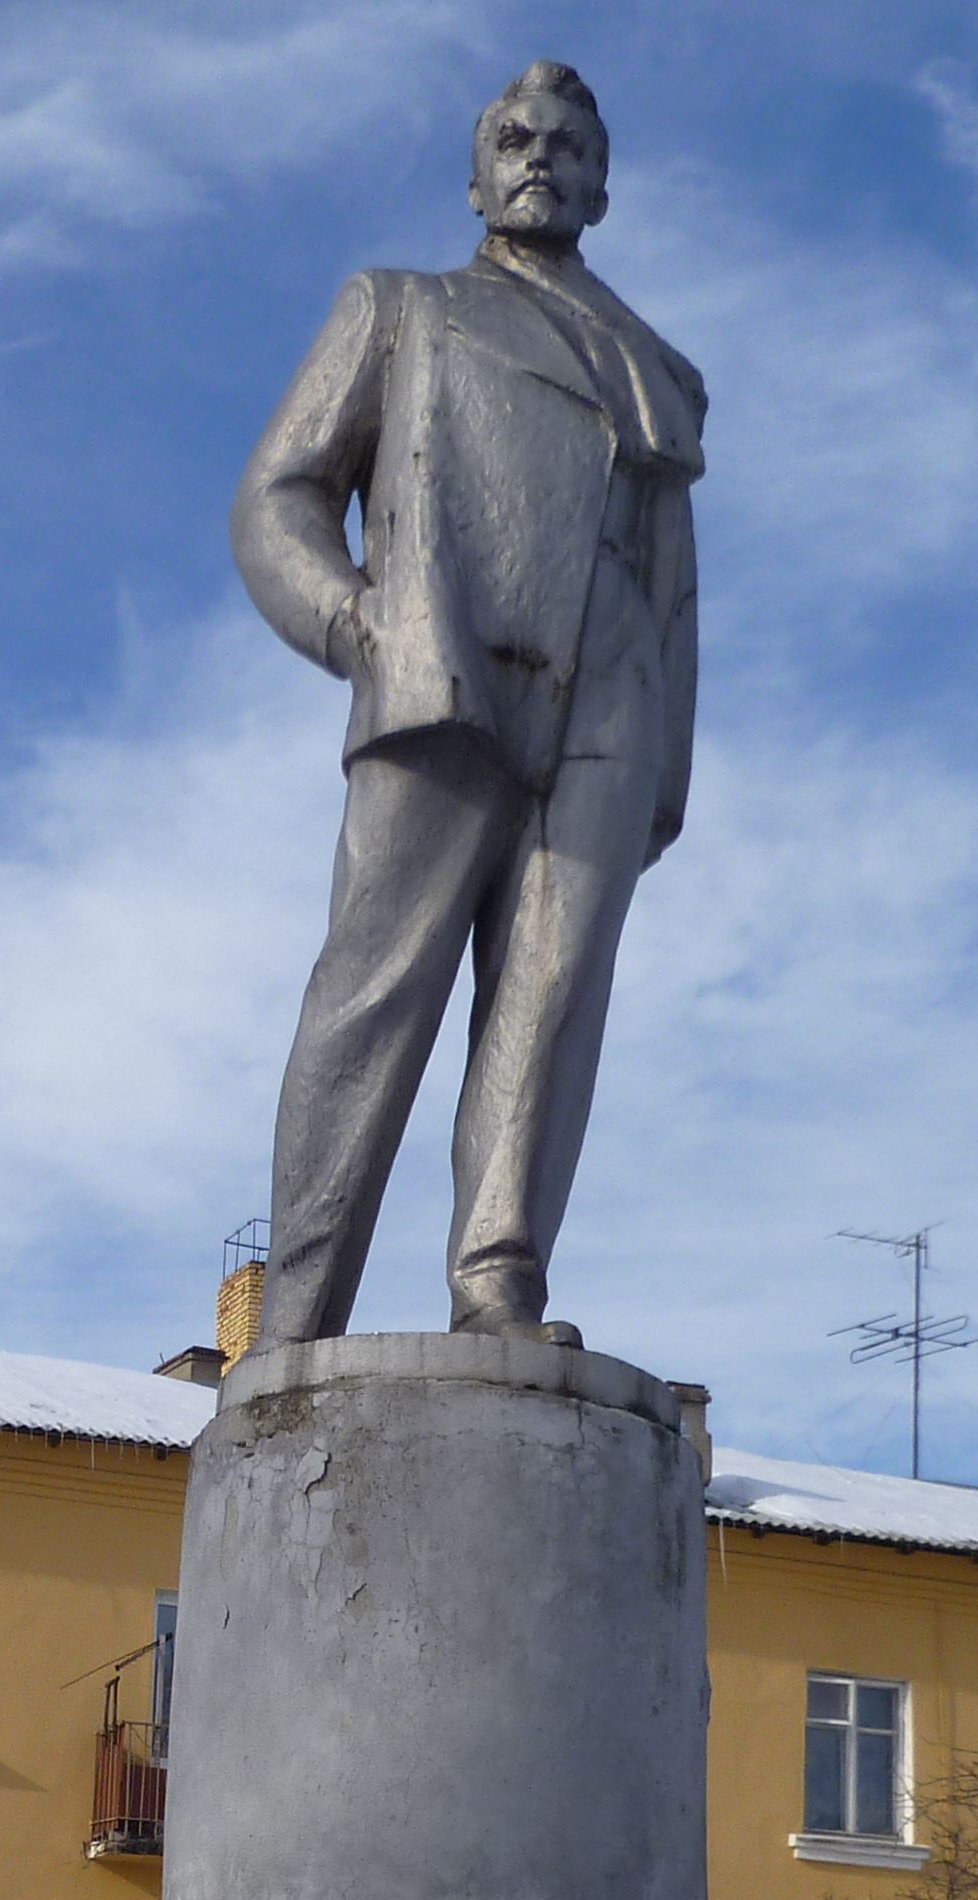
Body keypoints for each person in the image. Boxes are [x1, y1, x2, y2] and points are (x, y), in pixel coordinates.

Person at [231, 60, 705, 1349]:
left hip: (613, 692)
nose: (540, 155)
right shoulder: (405, 309)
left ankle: (500, 1279)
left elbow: (669, 581)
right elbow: (277, 496)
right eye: (514, 136)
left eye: (567, 143)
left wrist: (667, 762)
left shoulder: (660, 369)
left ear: (603, 183)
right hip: (448, 666)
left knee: (552, 999)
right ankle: (298, 1314)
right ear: (477, 172)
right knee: (376, 989)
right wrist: (360, 622)